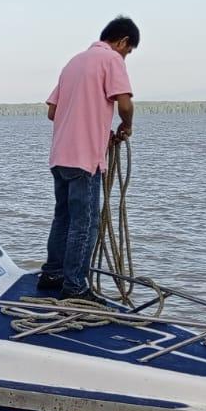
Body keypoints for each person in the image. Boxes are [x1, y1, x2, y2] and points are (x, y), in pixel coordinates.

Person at [38, 16, 138, 300]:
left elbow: (52, 113)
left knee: (64, 219)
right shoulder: (111, 60)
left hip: (60, 157)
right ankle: (75, 287)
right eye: (127, 52)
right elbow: (125, 102)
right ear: (123, 42)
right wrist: (126, 125)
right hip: (85, 160)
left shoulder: (73, 63)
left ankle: (52, 274)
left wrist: (95, 125)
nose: (125, 57)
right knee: (85, 223)